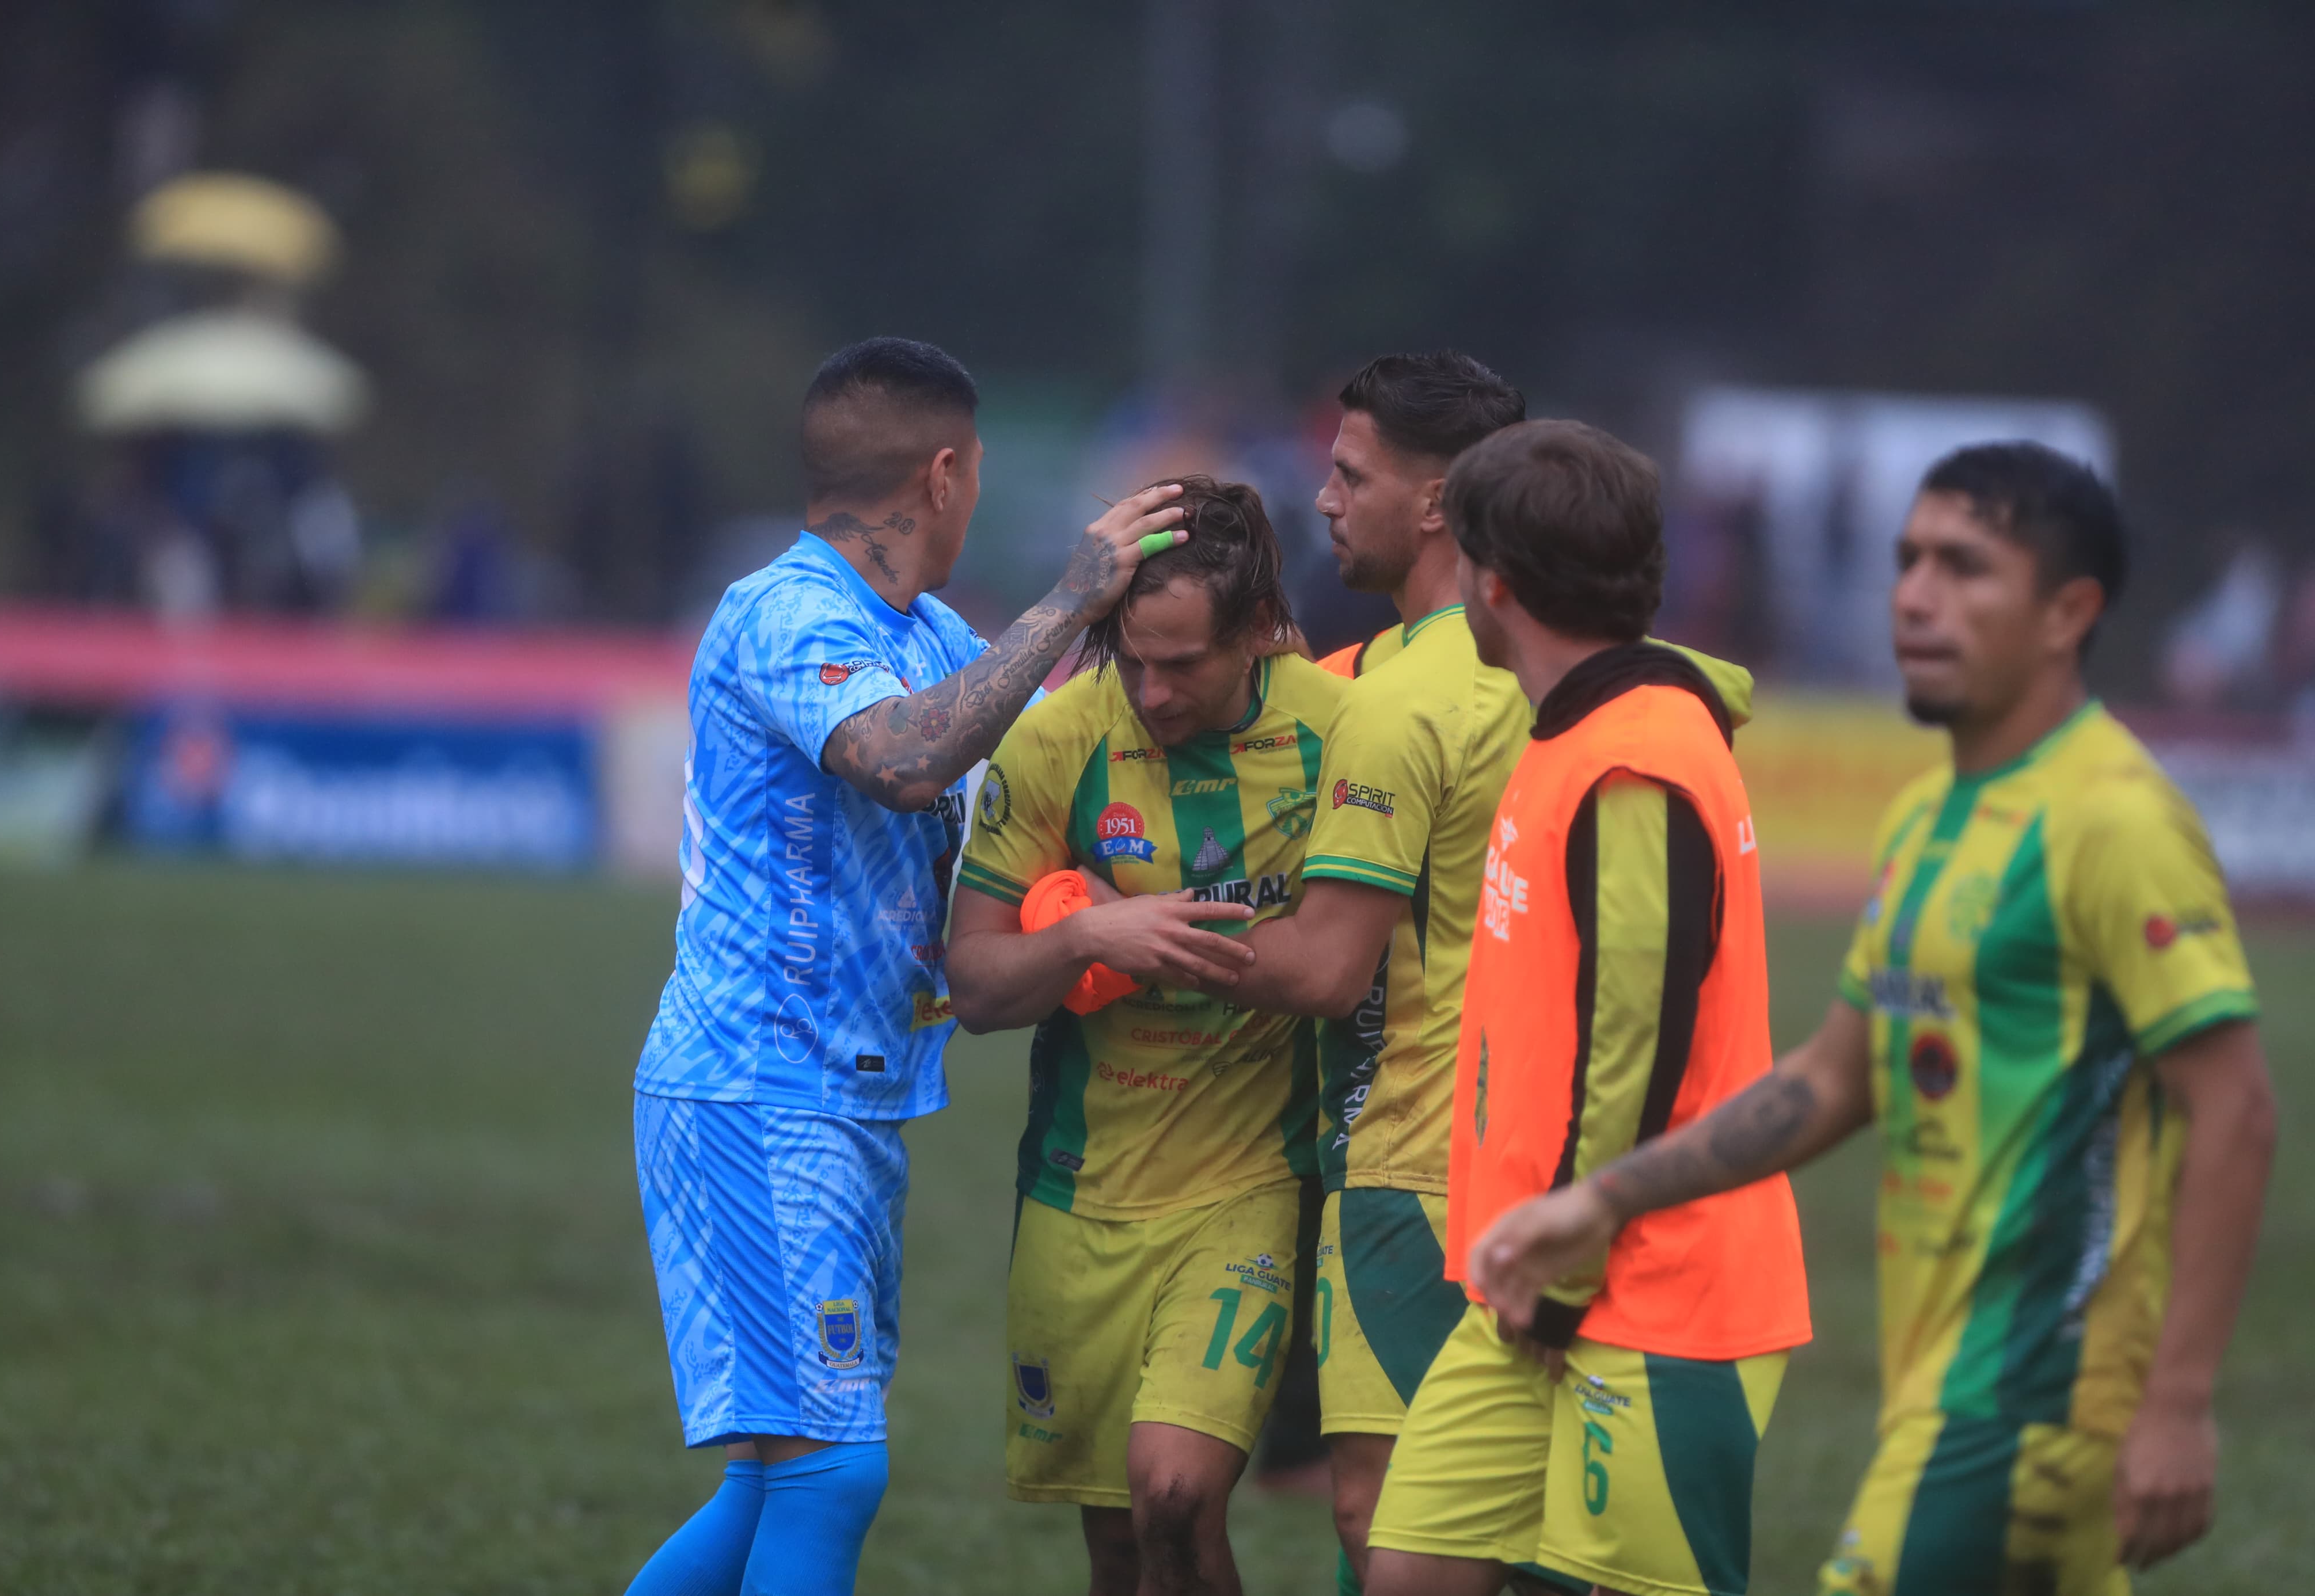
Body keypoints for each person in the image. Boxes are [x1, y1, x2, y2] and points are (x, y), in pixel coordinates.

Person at [1466, 441, 2278, 1595]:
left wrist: (2178, 1405)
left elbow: (2235, 1109)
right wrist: (1600, 1197)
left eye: (1963, 567)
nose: (1915, 595)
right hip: (1939, 1380)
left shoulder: (2114, 820)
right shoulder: (1924, 820)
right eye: (1906, 561)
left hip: (2032, 1395)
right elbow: (1833, 1079)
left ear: (2068, 612)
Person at [625, 337, 1189, 1596]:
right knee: (828, 1470)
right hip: (755, 1088)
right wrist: (1067, 599)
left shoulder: (929, 630)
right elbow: (904, 759)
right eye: (978, 471)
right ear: (943, 473)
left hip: (839, 1095)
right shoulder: (780, 608)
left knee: (778, 1471)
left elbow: (1036, 757)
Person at [1218, 356, 1752, 1593]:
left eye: (1350, 474)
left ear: (1451, 515)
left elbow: (1333, 966)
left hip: (1440, 1171)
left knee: (1390, 1519)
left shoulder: (1453, 713)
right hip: (1527, 1187)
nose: (1324, 497)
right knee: (1449, 1543)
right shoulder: (1637, 693)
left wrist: (1120, 940)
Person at [1364, 420, 1811, 1596]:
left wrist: (1565, 1265)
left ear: (1491, 582)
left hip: (1649, 1285)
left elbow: (1636, 1047)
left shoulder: (1637, 757)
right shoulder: (1574, 726)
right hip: (1533, 1273)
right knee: (1407, 1575)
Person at [945, 477, 1344, 1596]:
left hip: (1247, 1189)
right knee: (1121, 1546)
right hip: (1077, 1195)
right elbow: (971, 983)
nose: (1154, 692)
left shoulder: (1336, 735)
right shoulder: (1058, 741)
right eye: (1133, 658)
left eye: (1184, 664)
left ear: (1262, 629)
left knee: (1175, 1492)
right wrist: (1088, 941)